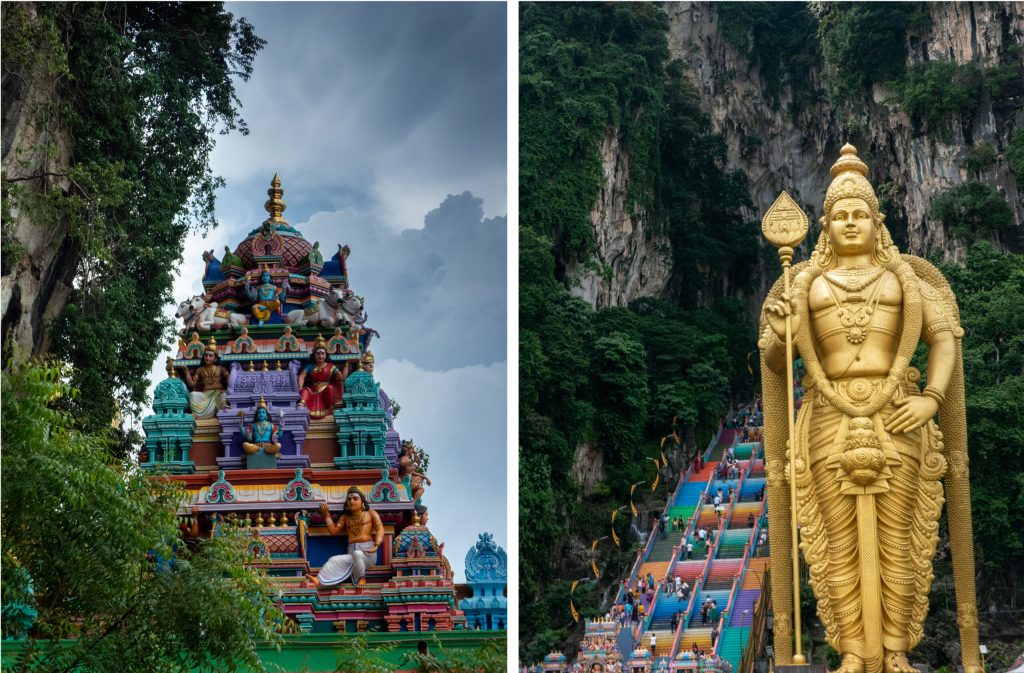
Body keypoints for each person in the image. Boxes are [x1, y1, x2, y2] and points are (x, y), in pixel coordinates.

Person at [759, 145, 979, 673]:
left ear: (877, 221)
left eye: (860, 214)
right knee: (835, 542)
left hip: (898, 409)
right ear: (824, 226)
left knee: (901, 536)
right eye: (840, 216)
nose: (850, 223)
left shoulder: (903, 280)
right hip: (828, 414)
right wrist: (782, 324)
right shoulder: (804, 285)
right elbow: (772, 358)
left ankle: (897, 649)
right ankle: (854, 650)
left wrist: (931, 397)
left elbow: (944, 336)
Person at [305, 487, 383, 587]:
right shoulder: (345, 518)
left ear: (362, 502)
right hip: (352, 555)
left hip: (368, 554)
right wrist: (326, 515)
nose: (351, 501)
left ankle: (361, 577)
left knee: (357, 554)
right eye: (349, 499)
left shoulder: (371, 513)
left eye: (355, 498)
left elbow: (380, 529)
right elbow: (333, 531)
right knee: (334, 560)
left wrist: (376, 545)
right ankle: (318, 580)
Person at [180, 337, 230, 418]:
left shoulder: (220, 368)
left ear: (215, 358)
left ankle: (223, 408)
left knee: (224, 394)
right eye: (206, 355)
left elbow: (229, 381)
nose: (207, 358)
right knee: (192, 395)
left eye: (210, 356)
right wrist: (186, 372)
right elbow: (192, 384)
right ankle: (196, 414)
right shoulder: (200, 370)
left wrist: (229, 375)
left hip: (218, 393)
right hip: (205, 395)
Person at [297, 337, 346, 418]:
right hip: (313, 392)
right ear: (314, 355)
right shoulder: (310, 366)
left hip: (326, 392)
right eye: (318, 353)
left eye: (322, 354)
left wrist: (347, 365)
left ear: (326, 355)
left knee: (330, 388)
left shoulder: (331, 366)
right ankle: (302, 405)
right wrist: (300, 386)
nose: (320, 356)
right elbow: (302, 375)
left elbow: (341, 378)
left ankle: (332, 408)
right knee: (305, 391)